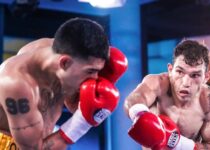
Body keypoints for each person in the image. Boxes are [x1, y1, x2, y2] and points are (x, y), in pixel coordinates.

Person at [0, 18, 128, 149]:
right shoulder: (17, 84)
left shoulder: (61, 54)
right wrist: (81, 123)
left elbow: (70, 104)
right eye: (90, 71)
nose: (95, 78)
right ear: (64, 63)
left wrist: (81, 102)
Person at [124, 40, 210, 150]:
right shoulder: (158, 83)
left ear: (206, 77)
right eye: (180, 72)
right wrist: (141, 115)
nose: (185, 83)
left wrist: (178, 143)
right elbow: (132, 101)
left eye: (195, 75)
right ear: (170, 70)